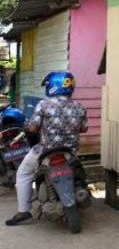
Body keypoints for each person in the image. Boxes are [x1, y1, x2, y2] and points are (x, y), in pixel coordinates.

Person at [5, 71, 87, 226]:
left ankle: (24, 211)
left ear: (53, 86)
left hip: (46, 151)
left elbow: (33, 128)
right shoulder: (80, 107)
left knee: (23, 173)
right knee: (79, 172)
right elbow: (84, 129)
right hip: (70, 152)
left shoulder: (44, 104)